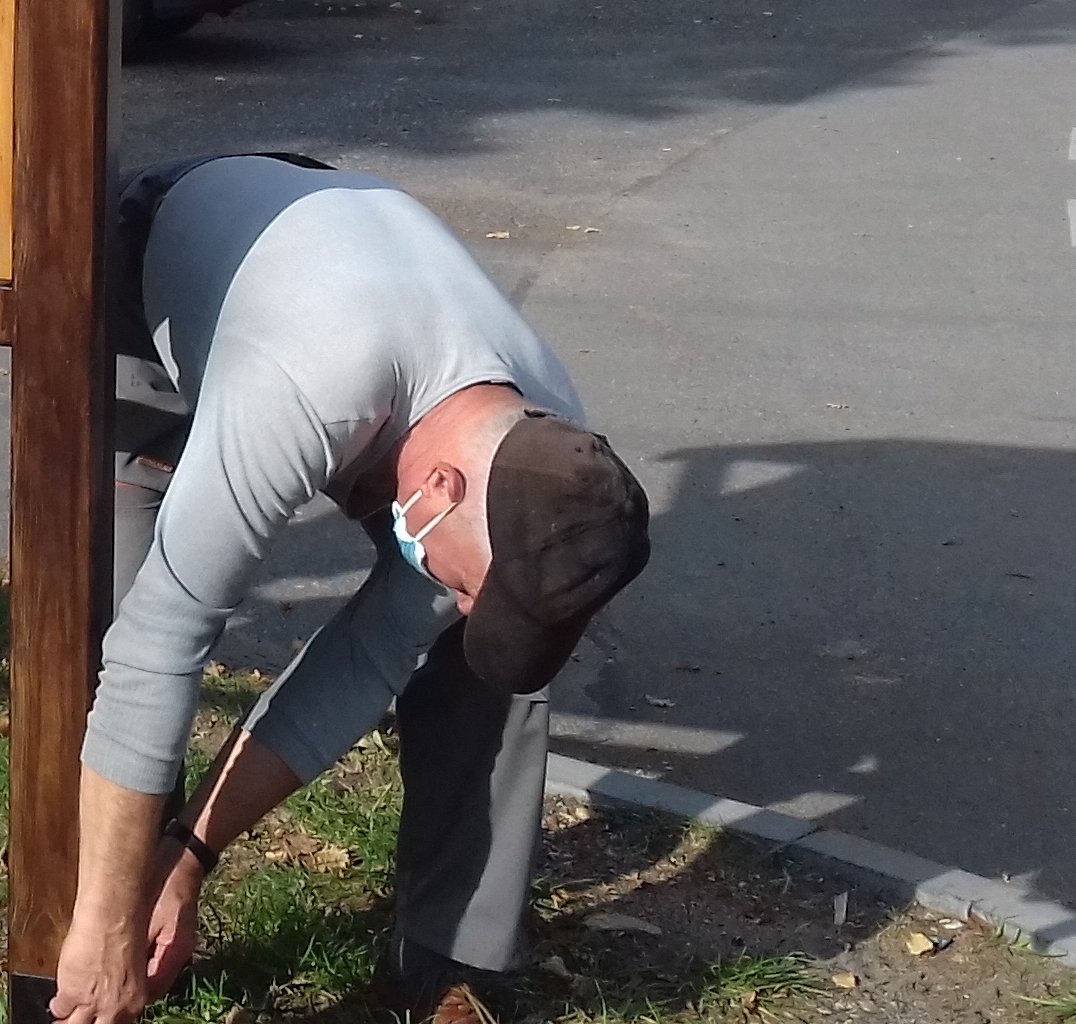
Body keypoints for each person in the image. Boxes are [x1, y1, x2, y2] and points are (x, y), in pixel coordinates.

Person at [52, 154, 652, 1024]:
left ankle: (447, 961)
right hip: (166, 282)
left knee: (486, 660)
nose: (471, 603)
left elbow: (368, 658)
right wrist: (108, 924)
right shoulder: (305, 390)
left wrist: (191, 856)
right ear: (437, 492)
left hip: (355, 318)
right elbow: (159, 644)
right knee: (114, 606)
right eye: (475, 585)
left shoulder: (547, 460)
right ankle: (96, 933)